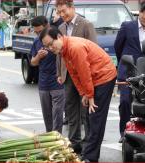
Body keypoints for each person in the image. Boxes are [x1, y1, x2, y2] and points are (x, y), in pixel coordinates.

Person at [39, 26, 117, 162]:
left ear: (59, 37)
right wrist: (84, 93)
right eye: (47, 46)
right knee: (88, 116)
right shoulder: (64, 50)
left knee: (96, 118)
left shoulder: (74, 48)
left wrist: (90, 95)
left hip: (104, 76)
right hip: (94, 78)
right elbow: (74, 74)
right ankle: (89, 153)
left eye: (51, 44)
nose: (51, 48)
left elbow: (84, 73)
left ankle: (90, 158)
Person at [55, 0, 97, 153]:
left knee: (86, 110)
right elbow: (58, 53)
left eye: (64, 11)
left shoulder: (86, 24)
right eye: (59, 12)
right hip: (67, 74)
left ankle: (89, 143)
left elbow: (93, 49)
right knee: (71, 109)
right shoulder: (60, 27)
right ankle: (75, 142)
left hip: (84, 74)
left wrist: (91, 75)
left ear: (72, 8)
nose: (62, 14)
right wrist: (59, 72)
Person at [114, 1, 145, 143]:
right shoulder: (127, 27)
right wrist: (123, 62)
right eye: (144, 17)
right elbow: (118, 46)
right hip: (128, 69)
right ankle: (124, 132)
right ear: (140, 13)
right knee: (125, 101)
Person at [30, 16, 65, 134]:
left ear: (47, 26)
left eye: (40, 31)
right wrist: (39, 56)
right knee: (47, 113)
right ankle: (49, 136)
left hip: (58, 81)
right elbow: (33, 62)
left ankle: (57, 136)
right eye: (36, 31)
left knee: (58, 112)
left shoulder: (57, 38)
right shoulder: (36, 41)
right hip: (43, 82)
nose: (38, 34)